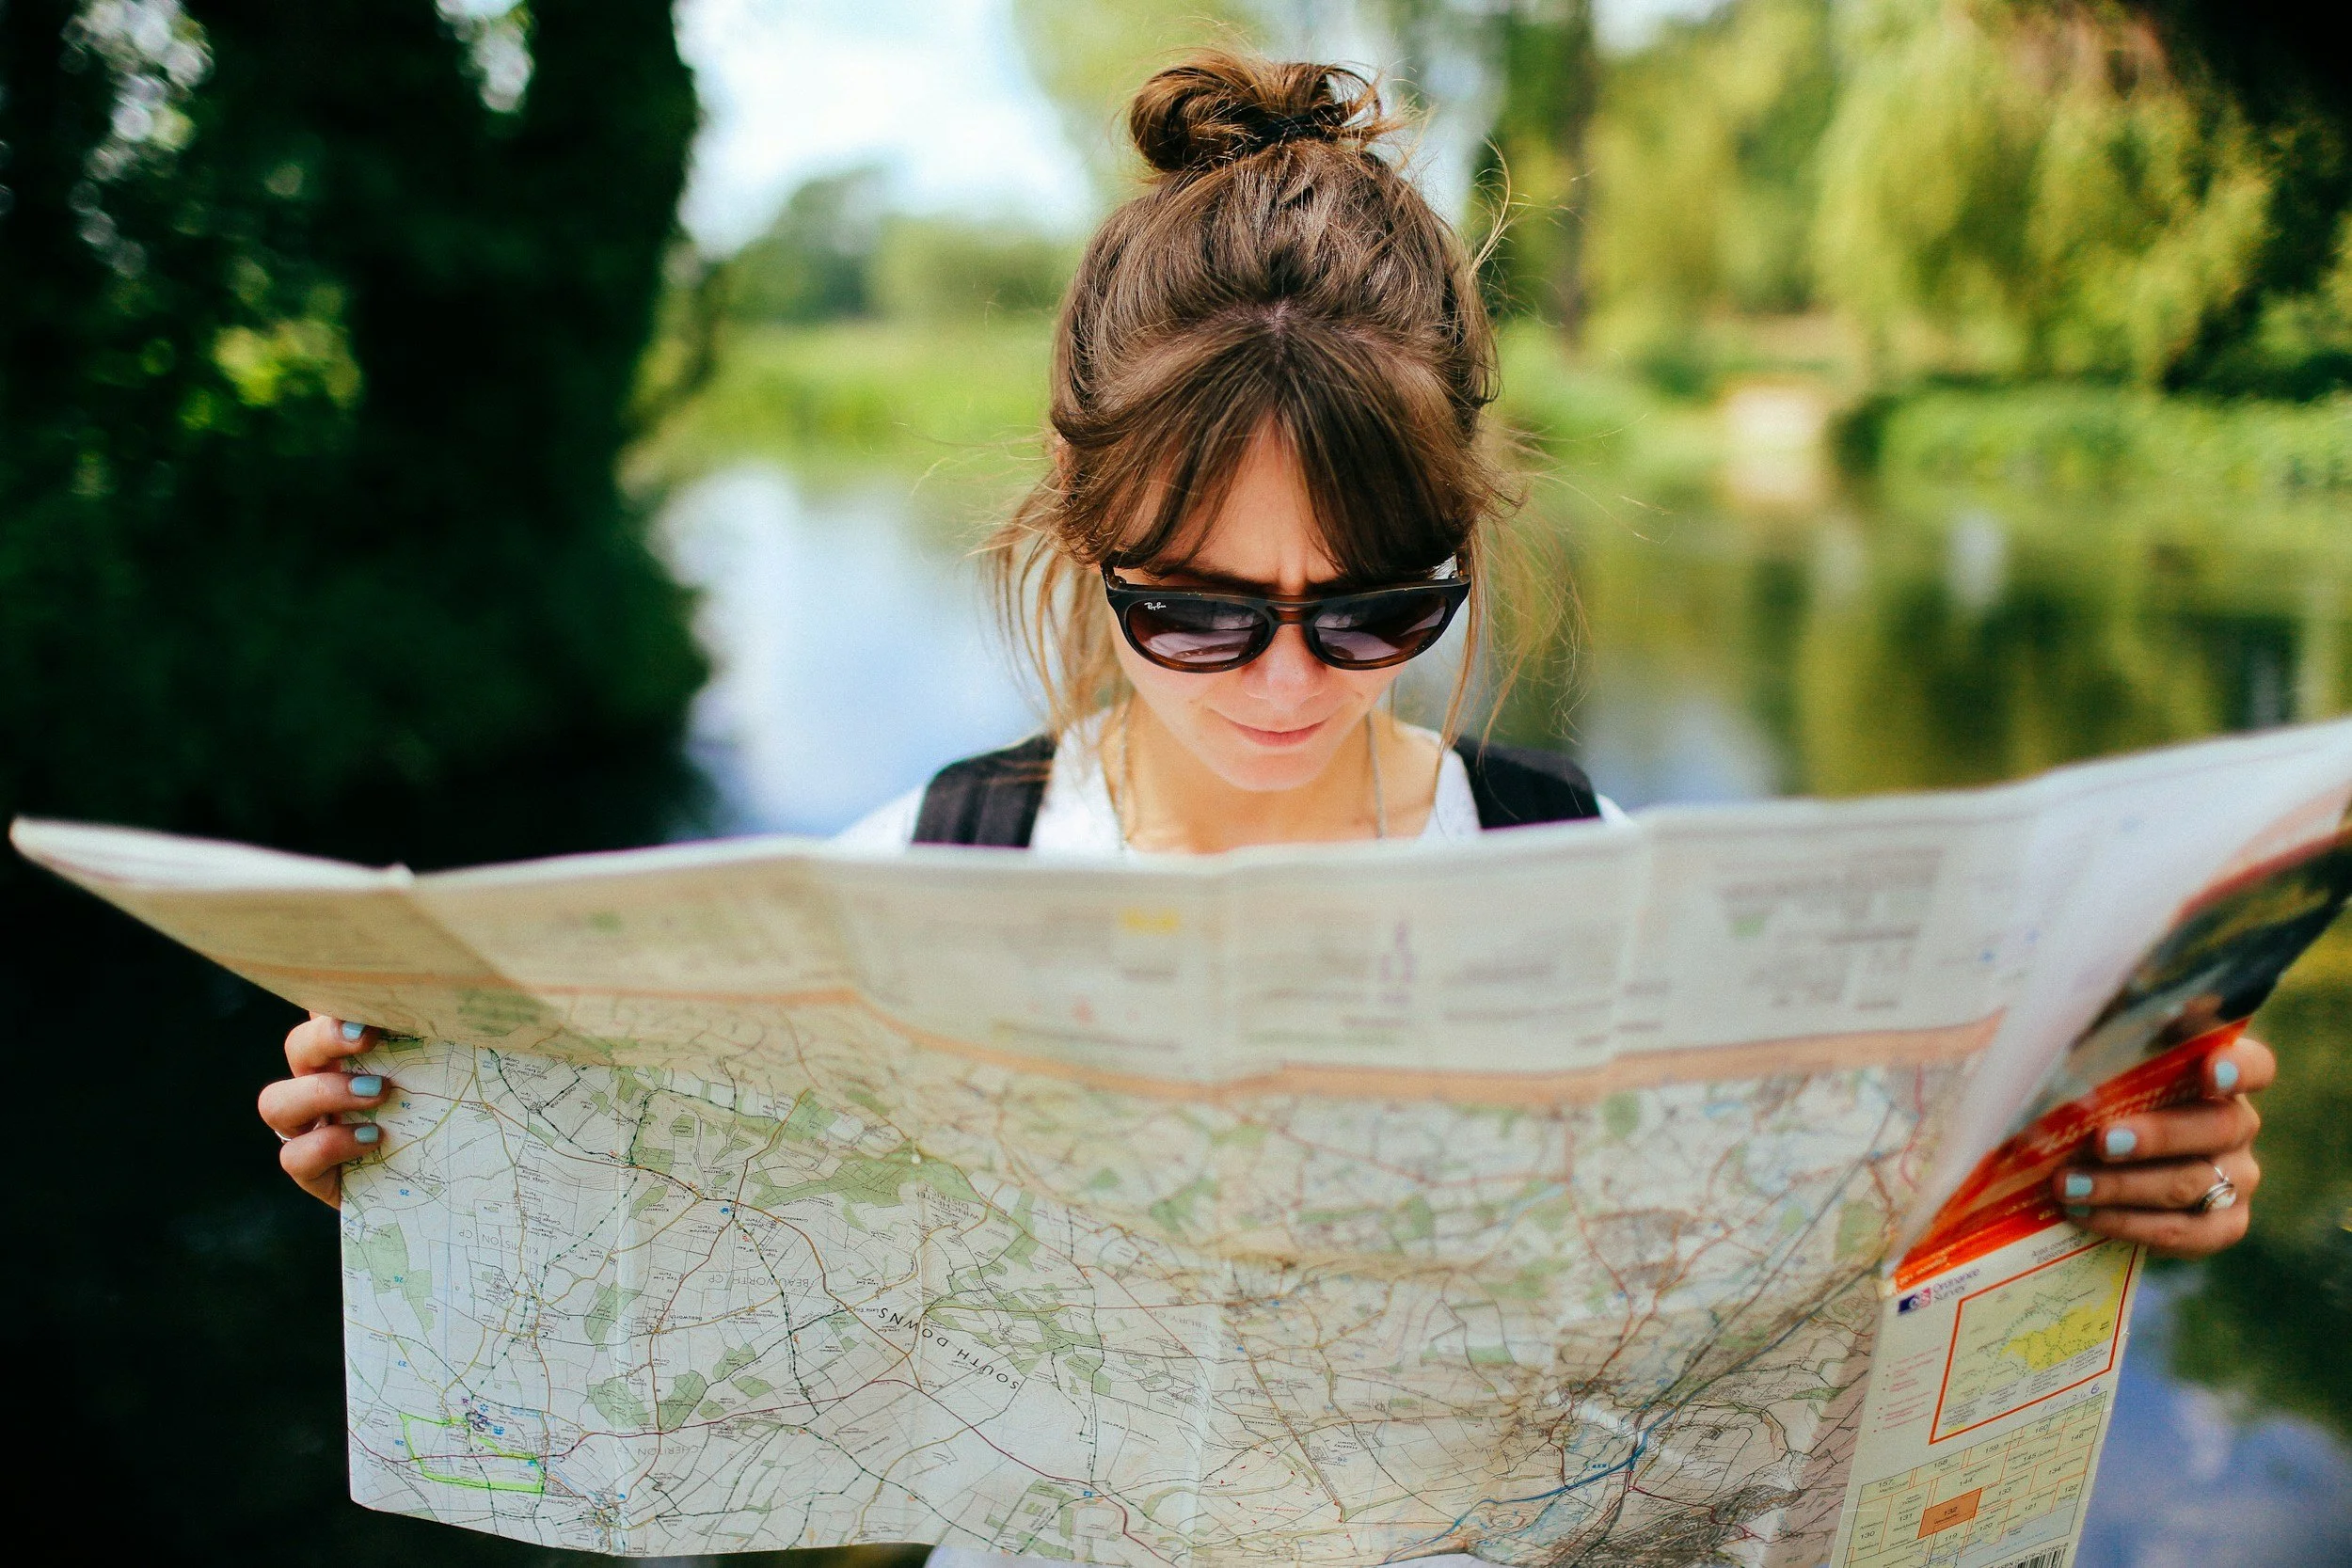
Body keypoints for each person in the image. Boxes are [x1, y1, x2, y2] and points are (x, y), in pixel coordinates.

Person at [255, 41, 2272, 1544]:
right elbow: (666, 1256)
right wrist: (425, 1142)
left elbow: (1817, 1320)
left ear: (1468, 541)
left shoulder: (1597, 885)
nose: (1291, 684)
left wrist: (2095, 1185)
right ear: (1080, 537)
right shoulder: (922, 879)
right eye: (1197, 613)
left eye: (1374, 606)